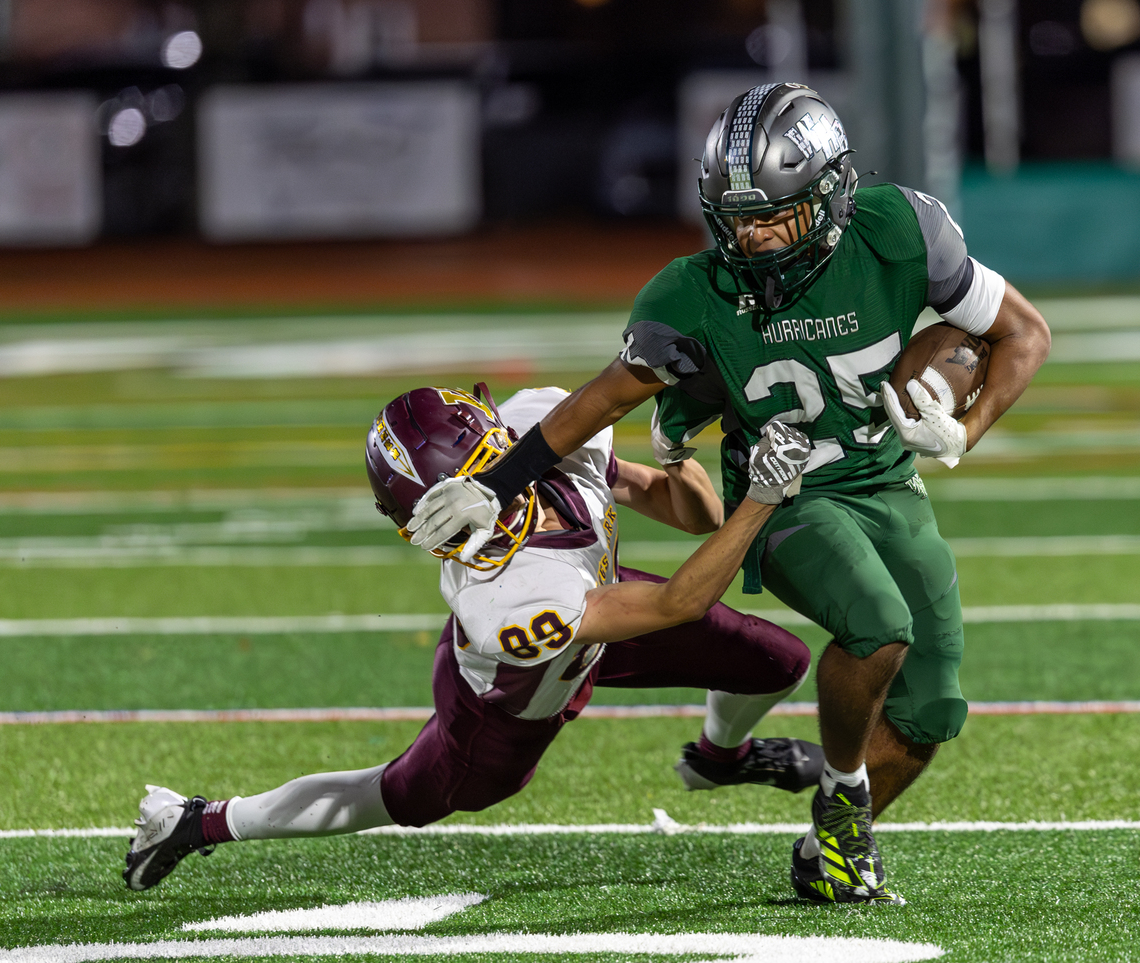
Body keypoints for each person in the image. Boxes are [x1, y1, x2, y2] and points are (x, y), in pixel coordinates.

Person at [403, 84, 1052, 905]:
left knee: (932, 704)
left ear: (834, 194)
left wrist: (966, 431)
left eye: (775, 214)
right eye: (736, 216)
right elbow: (601, 400)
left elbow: (1023, 333)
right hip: (783, 496)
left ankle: (828, 850)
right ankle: (844, 796)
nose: (752, 234)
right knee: (878, 627)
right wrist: (496, 484)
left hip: (885, 478)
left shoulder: (899, 231)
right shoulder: (692, 291)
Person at [123, 383, 816, 891]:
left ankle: (720, 757)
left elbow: (689, 516)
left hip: (604, 608)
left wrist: (677, 456)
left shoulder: (542, 429)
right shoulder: (505, 603)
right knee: (398, 793)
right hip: (508, 702)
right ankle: (197, 822)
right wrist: (762, 497)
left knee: (777, 660)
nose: (456, 536)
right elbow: (677, 602)